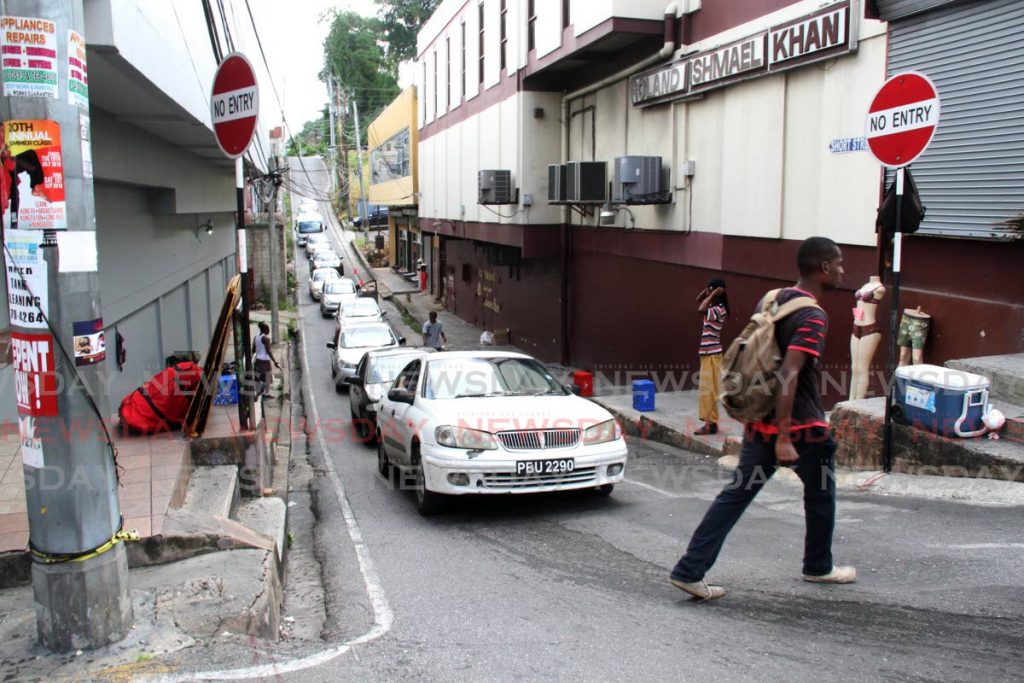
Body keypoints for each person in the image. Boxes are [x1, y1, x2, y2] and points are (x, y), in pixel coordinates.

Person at [669, 236, 855, 601]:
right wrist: (785, 438)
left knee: (735, 495)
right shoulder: (812, 315)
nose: (843, 270)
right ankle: (818, 566)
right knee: (820, 495)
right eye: (840, 264)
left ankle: (689, 570)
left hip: (758, 422)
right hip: (801, 429)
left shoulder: (772, 300)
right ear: (823, 268)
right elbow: (788, 373)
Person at [694, 278, 729, 435]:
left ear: (718, 292)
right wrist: (709, 290)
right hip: (707, 353)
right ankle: (710, 423)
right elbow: (698, 299)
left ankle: (711, 424)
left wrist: (714, 292)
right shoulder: (713, 305)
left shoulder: (719, 309)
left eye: (711, 290)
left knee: (709, 391)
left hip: (713, 354)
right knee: (705, 390)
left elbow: (700, 309)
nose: (708, 293)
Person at [253, 322, 280, 396]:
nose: (269, 331)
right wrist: (274, 361)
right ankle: (266, 392)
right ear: (265, 330)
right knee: (267, 378)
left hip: (258, 360)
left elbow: (253, 350)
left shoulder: (256, 337)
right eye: (268, 329)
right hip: (265, 361)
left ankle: (259, 392)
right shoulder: (266, 339)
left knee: (259, 377)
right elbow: (269, 351)